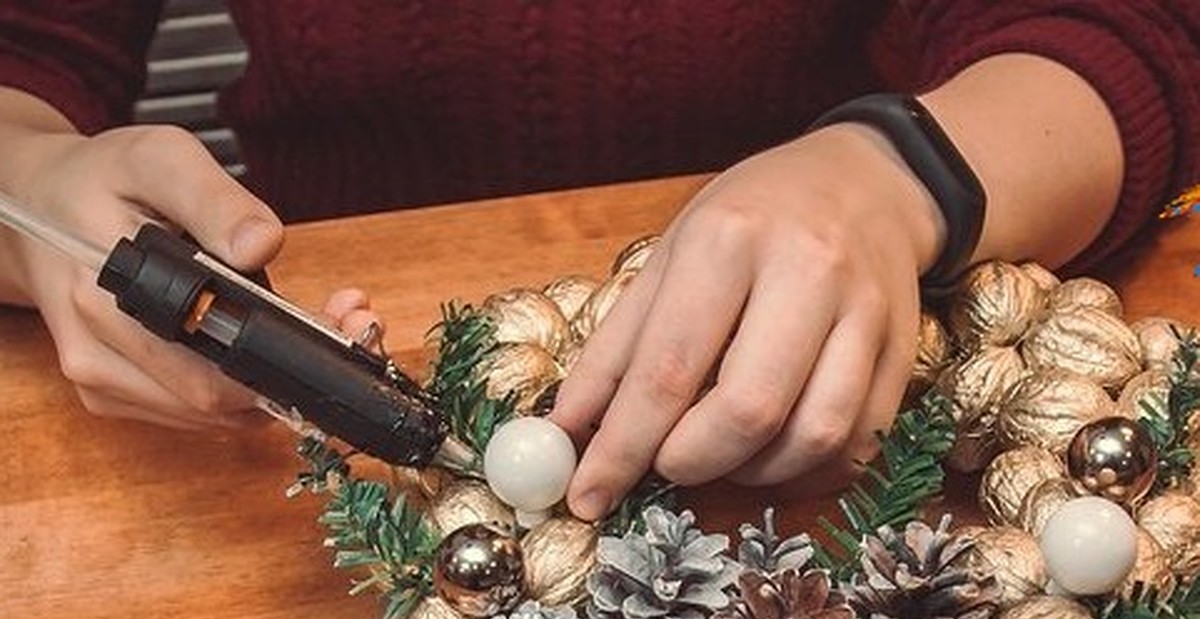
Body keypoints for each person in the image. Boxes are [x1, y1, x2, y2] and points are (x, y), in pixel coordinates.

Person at [0, 3, 1196, 522]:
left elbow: (1132, 30)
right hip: (339, 299)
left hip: (848, 329)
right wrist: (38, 196)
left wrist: (897, 175)